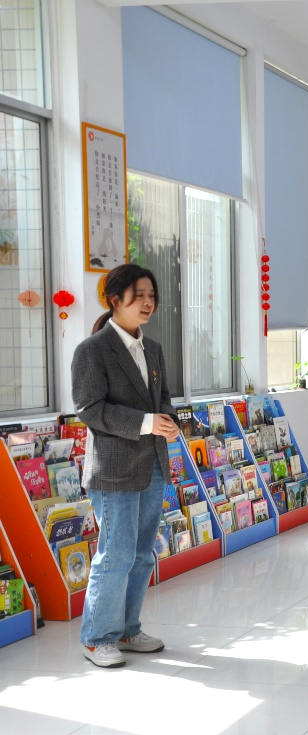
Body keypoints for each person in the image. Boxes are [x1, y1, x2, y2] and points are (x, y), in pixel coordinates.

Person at [71, 264, 181, 668]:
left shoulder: (153, 349)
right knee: (115, 555)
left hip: (152, 464)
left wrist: (168, 421)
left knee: (141, 554)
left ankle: (128, 630)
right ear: (115, 300)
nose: (148, 303)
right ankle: (96, 638)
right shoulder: (92, 350)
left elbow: (163, 398)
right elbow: (89, 409)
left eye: (152, 295)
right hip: (114, 470)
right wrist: (147, 423)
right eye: (139, 296)